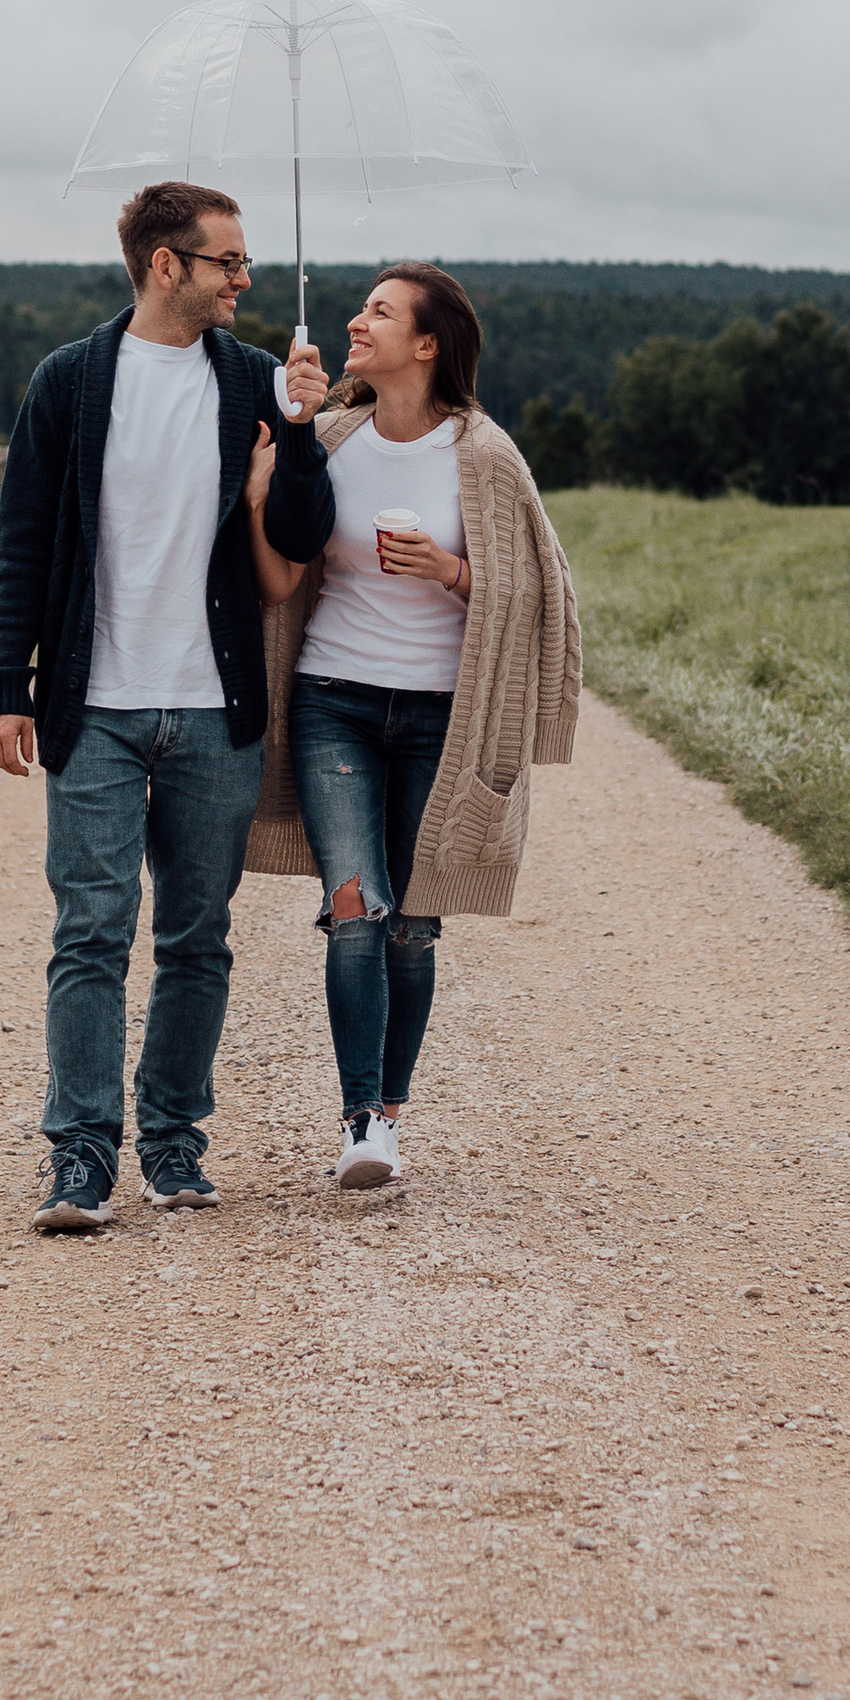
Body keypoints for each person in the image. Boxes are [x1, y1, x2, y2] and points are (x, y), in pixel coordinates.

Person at [0, 180, 335, 1234]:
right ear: (163, 264)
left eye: (248, 264)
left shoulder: (256, 384)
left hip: (209, 704)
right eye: (227, 262)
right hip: (94, 705)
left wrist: (305, 429)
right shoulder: (71, 383)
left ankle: (173, 1141)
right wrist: (9, 690)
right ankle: (81, 1159)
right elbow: (25, 544)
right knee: (89, 931)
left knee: (196, 936)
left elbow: (304, 535)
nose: (244, 281)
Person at [244, 264, 580, 1189]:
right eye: (360, 308)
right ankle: (359, 1122)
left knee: (413, 927)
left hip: (439, 718)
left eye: (380, 313)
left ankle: (391, 1112)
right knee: (355, 907)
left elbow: (542, 592)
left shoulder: (485, 456)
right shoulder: (339, 436)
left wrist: (452, 571)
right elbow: (289, 545)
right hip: (332, 705)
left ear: (427, 345)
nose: (358, 321)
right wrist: (294, 434)